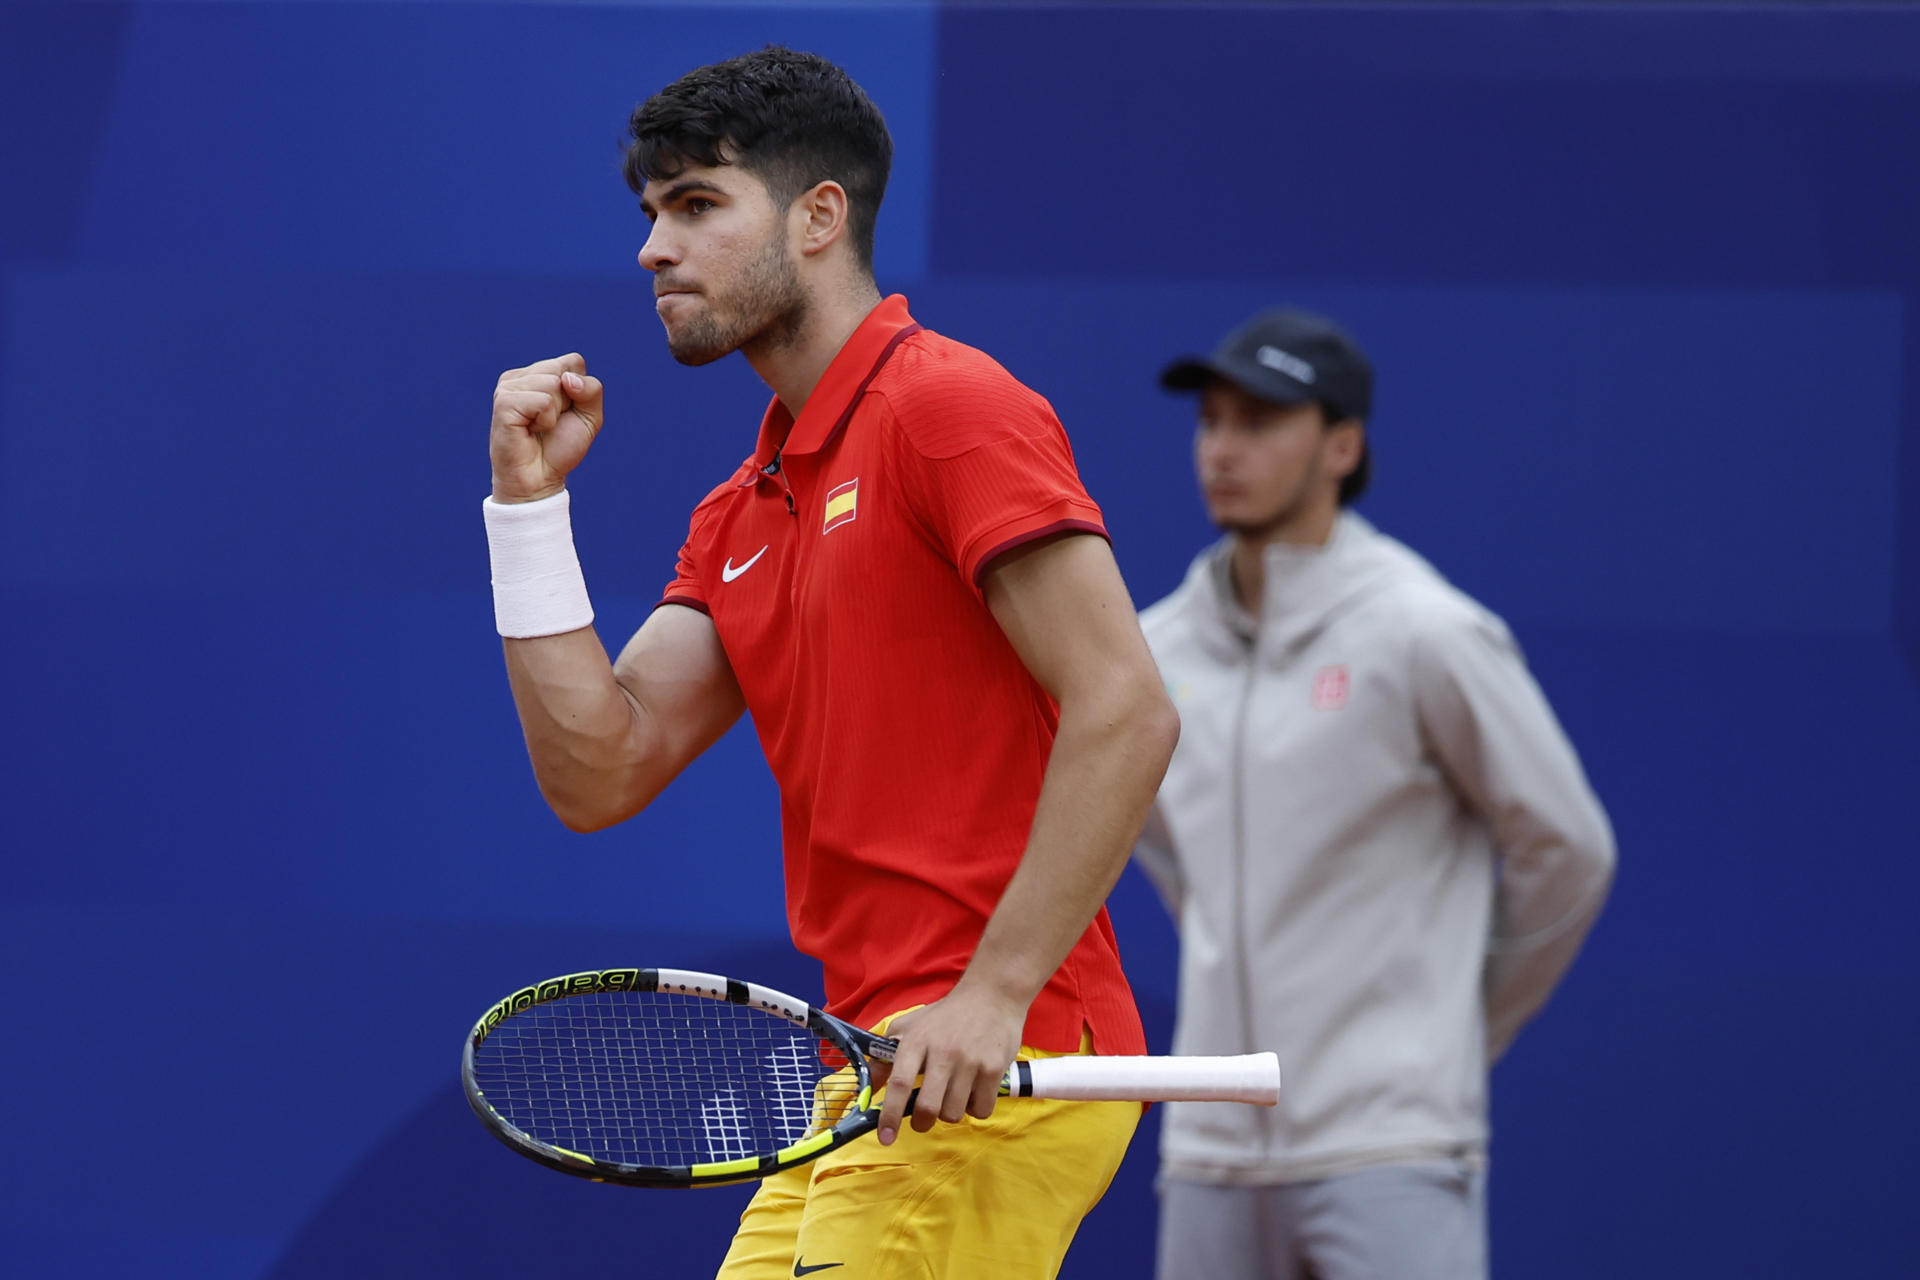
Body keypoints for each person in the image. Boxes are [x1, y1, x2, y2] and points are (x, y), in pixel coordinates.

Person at [480, 46, 1179, 1280]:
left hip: (995, 1059)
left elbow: (1125, 706)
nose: (654, 247)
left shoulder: (950, 411)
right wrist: (527, 514)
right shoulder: (740, 509)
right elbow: (602, 768)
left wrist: (992, 990)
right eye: (651, 213)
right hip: (873, 1071)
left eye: (697, 204)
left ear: (818, 216)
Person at [1131, 307, 1616, 1280]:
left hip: (1389, 1143)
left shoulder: (1425, 630)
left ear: (1342, 445)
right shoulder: (1153, 648)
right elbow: (1161, 847)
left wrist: (1446, 1036)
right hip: (1212, 1147)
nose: (1223, 448)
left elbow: (1567, 848)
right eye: (1211, 420)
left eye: (1260, 422)